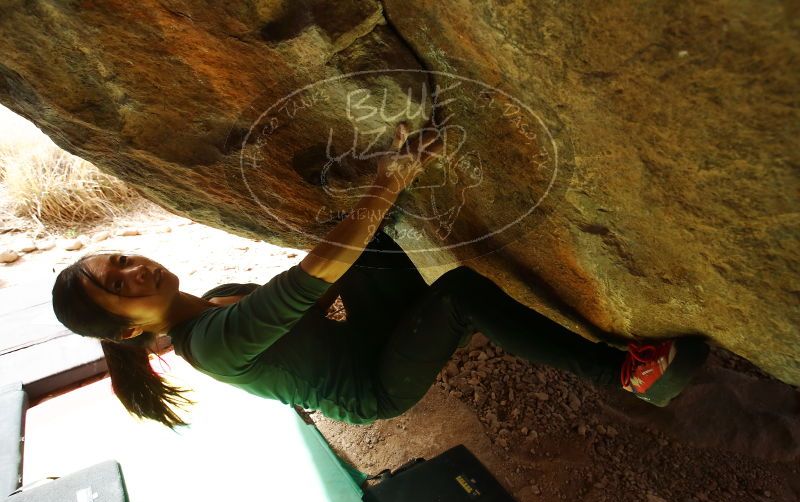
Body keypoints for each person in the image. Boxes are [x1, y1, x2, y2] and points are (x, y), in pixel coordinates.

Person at [51, 123, 709, 430]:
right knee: (457, 296)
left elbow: (319, 287)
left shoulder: (215, 302)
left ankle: (483, 303)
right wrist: (388, 180)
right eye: (119, 285)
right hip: (371, 382)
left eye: (122, 259)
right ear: (127, 328)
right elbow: (313, 276)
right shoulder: (213, 342)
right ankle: (623, 374)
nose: (136, 270)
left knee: (374, 241)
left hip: (357, 336)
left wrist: (373, 220)